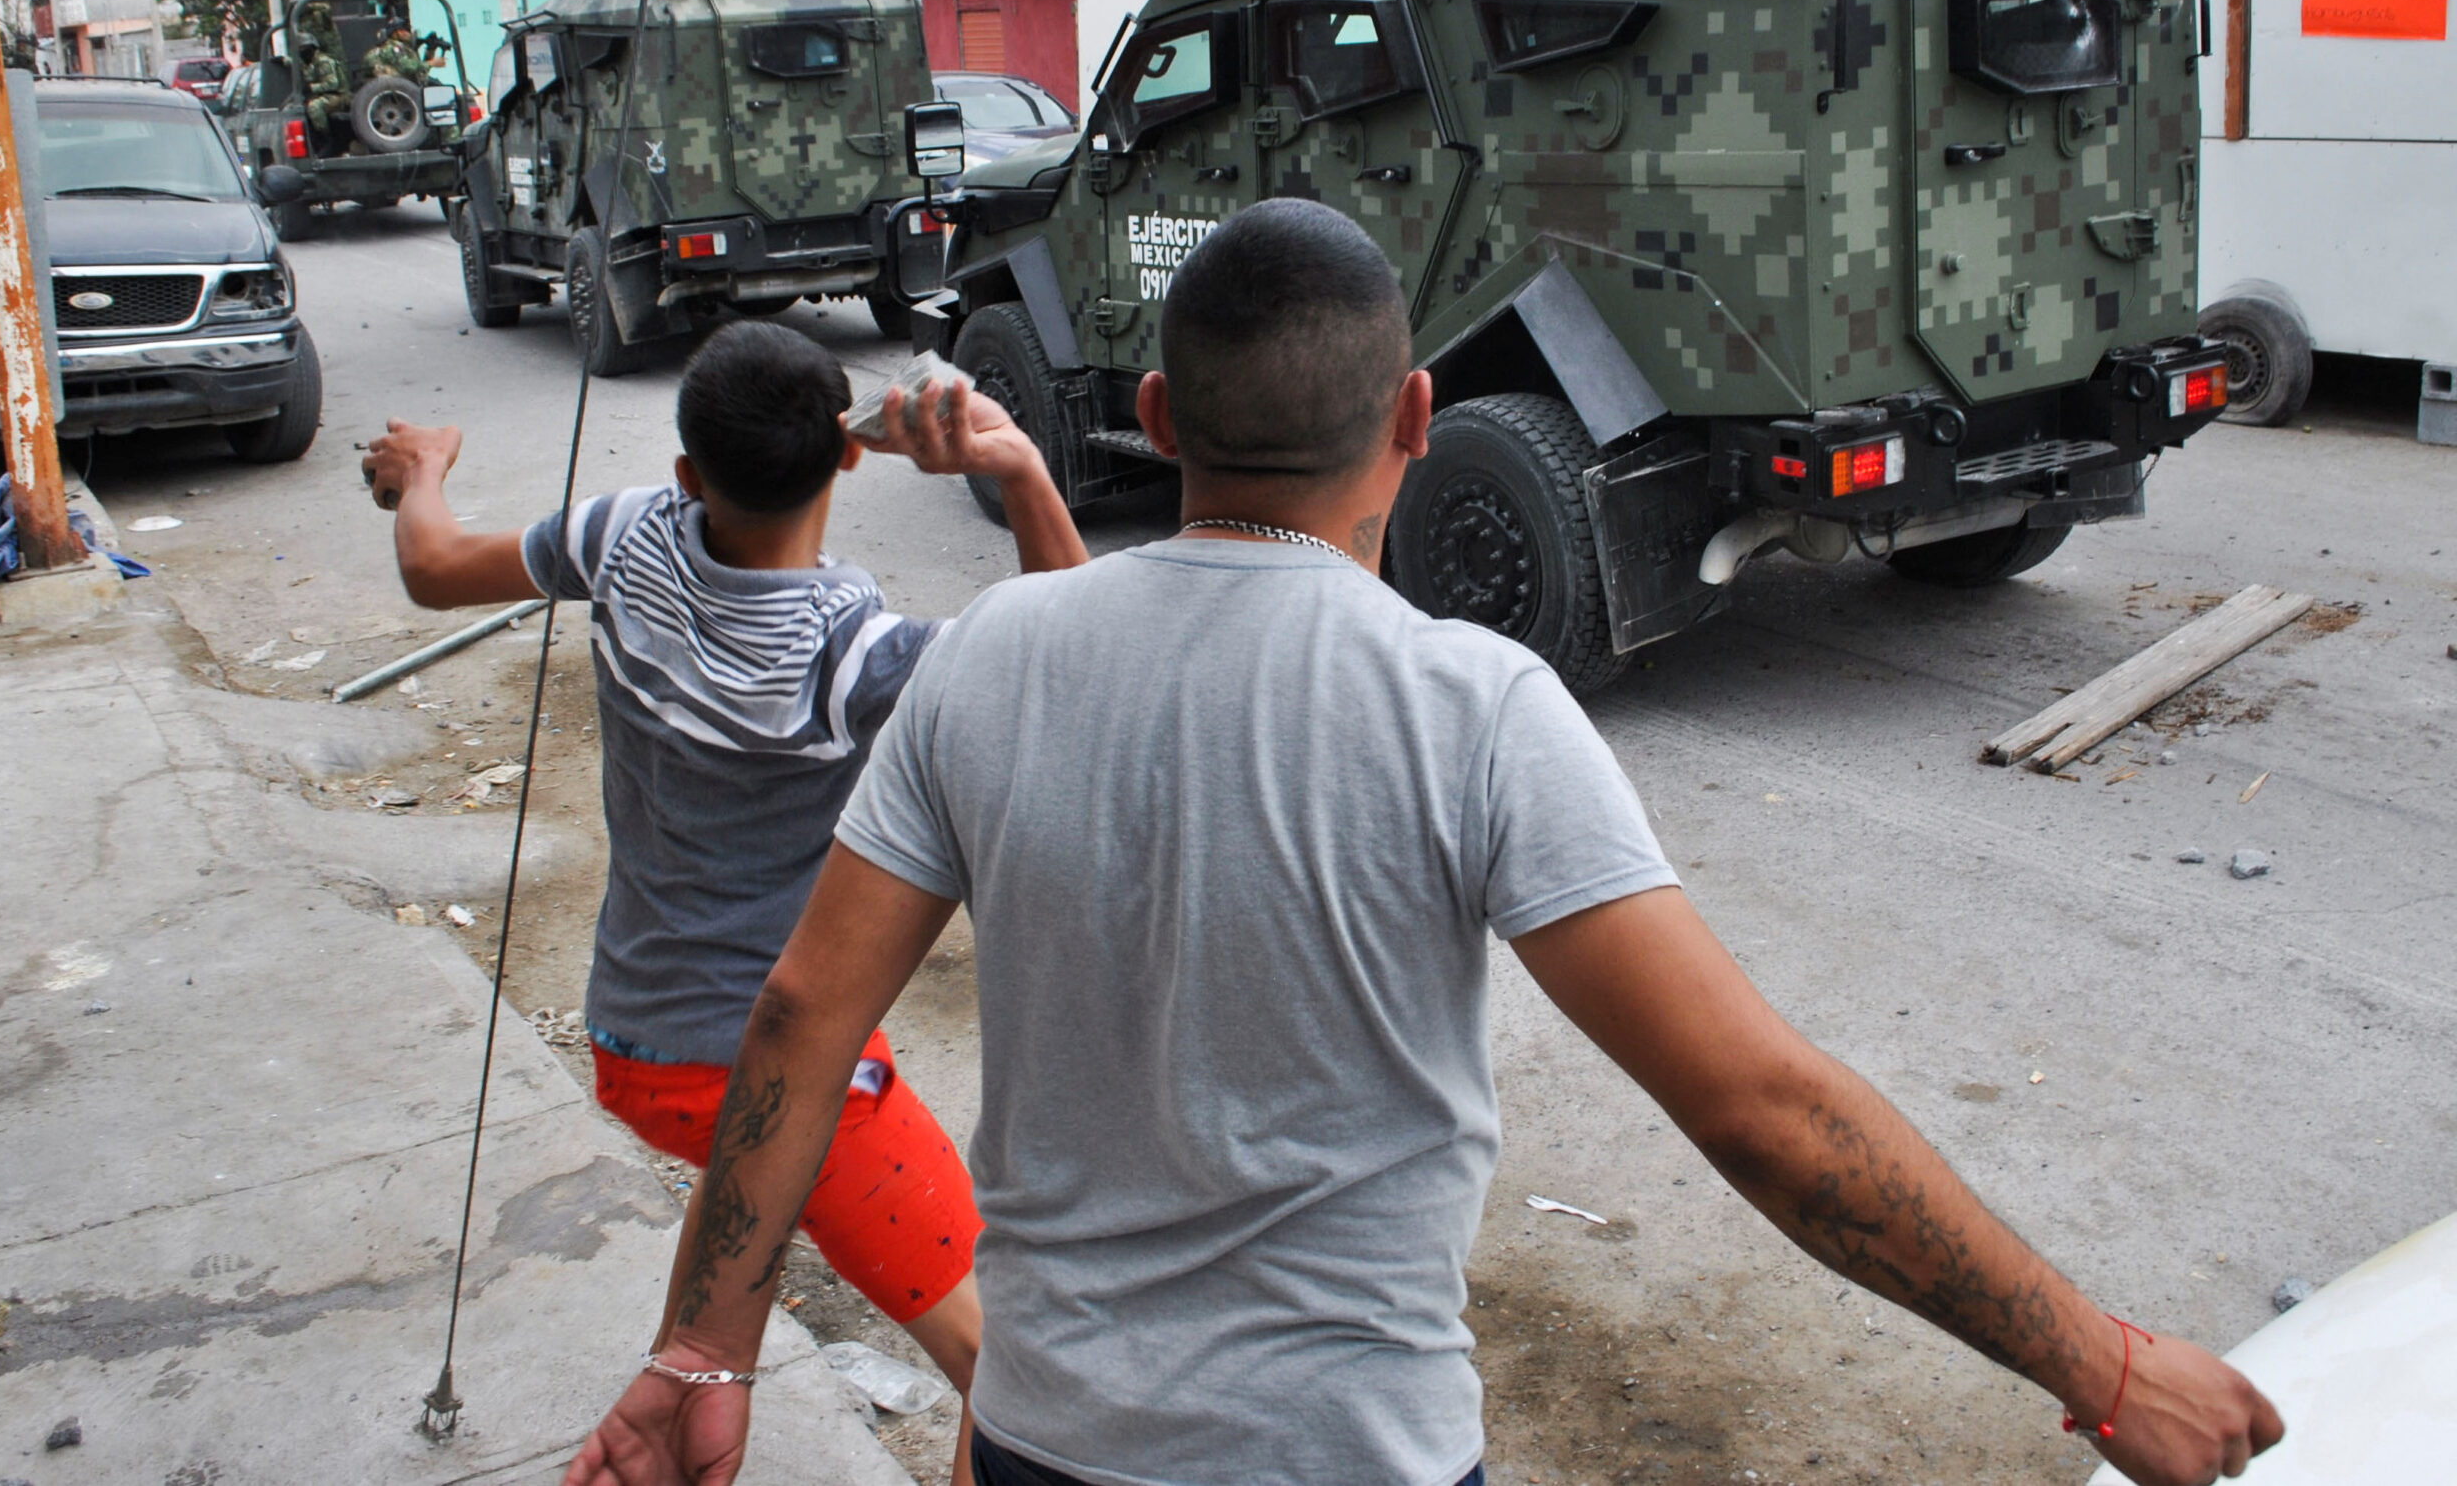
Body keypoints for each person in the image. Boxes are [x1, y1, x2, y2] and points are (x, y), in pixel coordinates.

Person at [562, 200, 2285, 1486]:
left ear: (1157, 420)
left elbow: (796, 1020)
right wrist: (2104, 1365)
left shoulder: (995, 662)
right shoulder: (1475, 709)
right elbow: (1763, 1110)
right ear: (1413, 420)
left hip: (1045, 1446)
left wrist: (703, 1346)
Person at [364, 322, 1089, 1484]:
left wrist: (425, 470)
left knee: (738, 1285)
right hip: (776, 1071)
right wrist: (1018, 468)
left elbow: (433, 566)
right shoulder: (851, 656)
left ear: (689, 473)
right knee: (1012, 1368)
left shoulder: (622, 537)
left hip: (634, 1040)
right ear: (849, 459)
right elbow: (1086, 664)